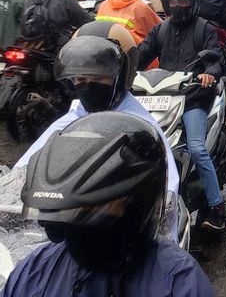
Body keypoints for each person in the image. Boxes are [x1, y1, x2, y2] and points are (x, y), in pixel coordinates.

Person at [6, 113, 214, 297]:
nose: (77, 218)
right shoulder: (33, 272)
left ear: (135, 206)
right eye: (72, 209)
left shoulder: (177, 282)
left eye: (94, 207)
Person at [14, 23, 181, 231]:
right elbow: (23, 170)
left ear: (122, 77)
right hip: (67, 230)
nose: (88, 86)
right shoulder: (71, 119)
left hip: (121, 236)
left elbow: (166, 195)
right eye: (81, 79)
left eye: (98, 79)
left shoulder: (142, 129)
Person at [137, 0, 226, 232]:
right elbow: (141, 56)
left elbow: (216, 59)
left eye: (183, 0)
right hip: (161, 99)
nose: (178, 6)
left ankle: (217, 206)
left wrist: (210, 73)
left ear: (193, 1)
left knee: (197, 149)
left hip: (193, 99)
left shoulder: (204, 29)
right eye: (173, 1)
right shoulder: (160, 30)